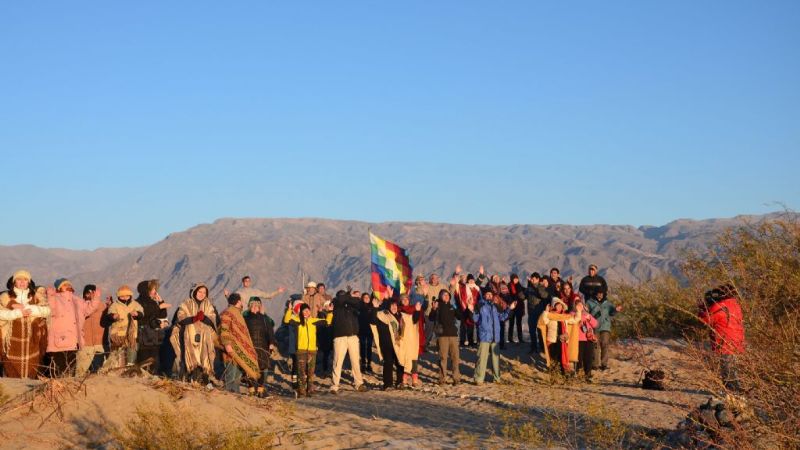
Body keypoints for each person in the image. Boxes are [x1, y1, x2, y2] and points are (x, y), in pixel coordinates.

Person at [46, 278, 102, 377]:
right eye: (64, 284)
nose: (67, 286)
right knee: (59, 368)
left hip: (73, 340)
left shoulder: (77, 300)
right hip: (59, 340)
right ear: (59, 287)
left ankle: (69, 387)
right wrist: (50, 296)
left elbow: (88, 309)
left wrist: (96, 298)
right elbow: (51, 310)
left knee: (71, 367)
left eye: (68, 284)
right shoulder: (55, 298)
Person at [0, 270, 50, 378]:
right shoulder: (5, 297)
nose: (22, 282)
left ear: (29, 282)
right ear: (14, 282)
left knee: (31, 374)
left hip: (32, 343)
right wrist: (17, 313)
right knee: (12, 376)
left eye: (25, 279)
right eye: (19, 279)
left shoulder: (36, 297)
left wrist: (29, 309)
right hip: (11, 344)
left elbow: (47, 310)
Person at [698, 285, 745, 392]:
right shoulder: (734, 304)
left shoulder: (720, 306)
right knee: (731, 368)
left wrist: (702, 308)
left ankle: (733, 392)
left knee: (727, 369)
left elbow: (705, 320)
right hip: (736, 340)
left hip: (725, 342)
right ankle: (731, 390)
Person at [283, 302, 333, 397]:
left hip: (312, 351)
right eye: (304, 310)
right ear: (301, 312)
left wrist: (330, 312)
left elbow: (327, 322)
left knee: (310, 372)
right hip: (301, 350)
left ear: (310, 311)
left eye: (307, 310)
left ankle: (309, 389)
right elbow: (286, 320)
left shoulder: (314, 321)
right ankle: (302, 392)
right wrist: (289, 310)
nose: (306, 312)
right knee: (301, 372)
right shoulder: (297, 321)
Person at [171, 283, 218, 383]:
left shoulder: (209, 305)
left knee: (204, 361)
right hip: (188, 339)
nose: (202, 294)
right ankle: (188, 379)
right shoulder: (186, 303)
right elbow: (180, 318)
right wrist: (194, 319)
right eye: (200, 291)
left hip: (204, 340)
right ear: (195, 291)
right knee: (188, 361)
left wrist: (204, 318)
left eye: (204, 292)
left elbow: (213, 321)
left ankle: (203, 381)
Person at [470, 290, 515, 385]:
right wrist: (471, 309)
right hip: (484, 336)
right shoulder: (480, 305)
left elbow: (502, 317)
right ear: (484, 295)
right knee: (481, 359)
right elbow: (475, 319)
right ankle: (479, 379)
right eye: (487, 294)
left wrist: (509, 309)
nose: (489, 296)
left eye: (491, 294)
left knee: (496, 360)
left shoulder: (496, 306)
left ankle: (496, 378)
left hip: (495, 337)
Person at [219, 293, 261, 394]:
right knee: (231, 375)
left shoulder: (237, 313)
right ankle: (229, 396)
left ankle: (236, 395)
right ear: (238, 301)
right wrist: (227, 344)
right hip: (231, 349)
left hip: (239, 350)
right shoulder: (228, 312)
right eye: (241, 300)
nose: (242, 302)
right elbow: (224, 329)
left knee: (237, 376)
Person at [330, 290, 367, 394]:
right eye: (342, 295)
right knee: (337, 362)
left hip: (353, 336)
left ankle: (359, 383)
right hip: (340, 337)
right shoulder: (336, 303)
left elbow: (359, 303)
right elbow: (341, 299)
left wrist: (351, 297)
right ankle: (335, 385)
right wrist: (349, 296)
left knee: (355, 361)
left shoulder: (352, 305)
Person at [135, 279, 171, 374]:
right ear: (146, 290)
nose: (155, 292)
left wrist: (161, 302)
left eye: (155, 289)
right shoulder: (138, 302)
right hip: (144, 339)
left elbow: (162, 316)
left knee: (155, 364)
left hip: (155, 339)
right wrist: (159, 307)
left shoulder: (153, 302)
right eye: (153, 289)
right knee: (144, 363)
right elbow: (145, 314)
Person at [243, 297, 276, 397]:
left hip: (263, 346)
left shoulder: (265, 319)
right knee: (250, 368)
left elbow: (270, 331)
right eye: (252, 306)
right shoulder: (246, 318)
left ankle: (261, 390)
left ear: (260, 307)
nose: (254, 308)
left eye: (257, 306)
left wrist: (271, 342)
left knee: (262, 367)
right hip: (250, 347)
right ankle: (251, 389)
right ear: (249, 307)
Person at [429, 289, 463, 385]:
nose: (446, 296)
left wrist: (459, 308)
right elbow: (431, 318)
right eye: (444, 295)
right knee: (443, 357)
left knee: (455, 357)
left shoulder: (452, 306)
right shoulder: (438, 306)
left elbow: (460, 316)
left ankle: (456, 378)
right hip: (442, 336)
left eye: (448, 295)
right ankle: (442, 378)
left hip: (453, 335)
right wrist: (434, 309)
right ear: (440, 296)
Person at [539, 298, 581, 374]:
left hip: (562, 341)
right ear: (554, 306)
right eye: (557, 305)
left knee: (561, 359)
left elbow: (575, 320)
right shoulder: (549, 316)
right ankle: (554, 375)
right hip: (552, 341)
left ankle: (562, 374)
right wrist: (546, 311)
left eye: (560, 305)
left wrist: (579, 311)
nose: (559, 307)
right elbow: (543, 321)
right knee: (553, 359)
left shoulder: (565, 317)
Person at [77, 284, 111, 376]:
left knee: (99, 372)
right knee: (80, 372)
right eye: (88, 293)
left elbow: (108, 322)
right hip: (85, 344)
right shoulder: (80, 306)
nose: (90, 295)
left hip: (100, 344)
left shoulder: (103, 306)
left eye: (93, 292)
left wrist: (109, 308)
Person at [371, 298, 404, 390]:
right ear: (388, 306)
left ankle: (399, 382)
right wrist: (375, 308)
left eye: (395, 305)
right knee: (388, 363)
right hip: (387, 344)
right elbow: (373, 321)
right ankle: (388, 384)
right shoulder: (383, 315)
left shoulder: (399, 316)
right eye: (392, 305)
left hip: (398, 344)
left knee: (400, 362)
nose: (394, 307)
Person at [107, 285, 144, 368]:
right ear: (119, 296)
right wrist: (114, 316)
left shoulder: (135, 304)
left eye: (127, 296)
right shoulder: (115, 305)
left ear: (130, 295)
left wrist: (137, 314)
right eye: (122, 296)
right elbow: (110, 314)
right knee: (117, 356)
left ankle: (130, 368)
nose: (125, 298)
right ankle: (115, 369)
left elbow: (141, 313)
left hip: (131, 335)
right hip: (118, 335)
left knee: (131, 352)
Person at [586, 290, 622, 371]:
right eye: (598, 293)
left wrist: (616, 310)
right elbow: (587, 313)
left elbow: (612, 313)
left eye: (601, 294)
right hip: (594, 327)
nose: (600, 295)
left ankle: (604, 364)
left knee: (605, 344)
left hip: (605, 327)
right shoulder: (590, 302)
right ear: (595, 294)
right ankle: (595, 364)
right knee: (595, 345)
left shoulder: (608, 303)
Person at [397, 293, 424, 387]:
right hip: (403, 339)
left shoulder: (413, 309)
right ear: (400, 301)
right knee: (404, 358)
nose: (405, 301)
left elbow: (415, 320)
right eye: (403, 299)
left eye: (406, 299)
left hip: (413, 338)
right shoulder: (398, 311)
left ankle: (414, 380)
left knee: (414, 358)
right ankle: (404, 380)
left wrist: (417, 311)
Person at [574, 302, 598, 382]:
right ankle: (578, 374)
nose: (580, 307)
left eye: (581, 305)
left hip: (589, 340)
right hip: (578, 340)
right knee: (579, 358)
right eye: (578, 305)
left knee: (588, 358)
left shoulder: (588, 315)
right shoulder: (573, 314)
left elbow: (595, 324)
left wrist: (589, 318)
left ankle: (588, 375)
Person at [454, 274, 480, 347]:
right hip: (464, 308)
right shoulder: (463, 287)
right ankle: (462, 342)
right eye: (469, 280)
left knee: (471, 325)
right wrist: (456, 275)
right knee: (463, 326)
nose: (471, 281)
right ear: (467, 281)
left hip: (472, 309)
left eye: (472, 280)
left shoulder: (476, 288)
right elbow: (457, 288)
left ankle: (470, 341)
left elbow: (478, 298)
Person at [525, 273, 548, 354]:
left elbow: (544, 295)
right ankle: (533, 348)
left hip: (539, 313)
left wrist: (536, 286)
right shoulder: (529, 288)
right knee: (532, 331)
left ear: (538, 279)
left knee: (540, 332)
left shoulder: (541, 287)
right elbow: (524, 296)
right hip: (531, 313)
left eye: (534, 279)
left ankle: (543, 348)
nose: (532, 280)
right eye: (531, 279)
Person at [357, 292, 375, 374]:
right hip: (362, 330)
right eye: (365, 297)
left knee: (369, 348)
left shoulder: (372, 306)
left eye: (368, 297)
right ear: (362, 298)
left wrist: (374, 291)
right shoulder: (360, 307)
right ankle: (363, 363)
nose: (367, 298)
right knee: (363, 347)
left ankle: (369, 364)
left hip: (370, 330)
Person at [507, 274, 526, 344]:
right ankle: (510, 338)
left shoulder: (520, 286)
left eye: (517, 279)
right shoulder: (508, 286)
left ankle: (520, 338)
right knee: (511, 323)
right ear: (512, 279)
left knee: (519, 323)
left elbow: (526, 292)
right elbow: (507, 295)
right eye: (514, 279)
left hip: (519, 307)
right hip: (512, 307)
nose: (516, 280)